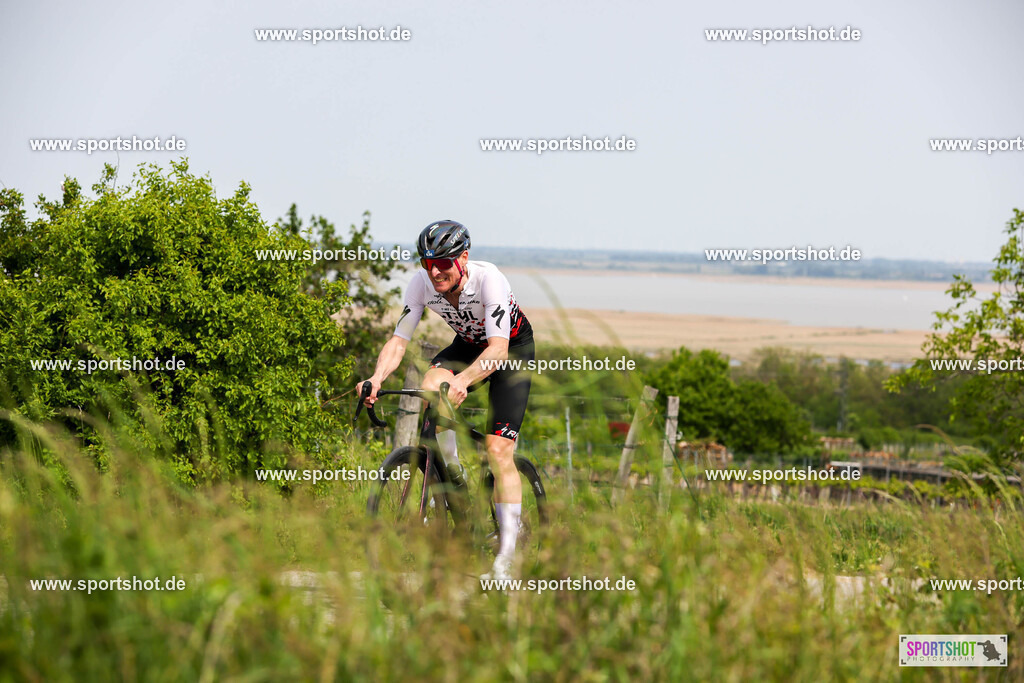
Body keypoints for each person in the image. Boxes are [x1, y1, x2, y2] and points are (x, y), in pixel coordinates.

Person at [357, 220, 534, 580]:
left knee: (498, 450)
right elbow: (399, 341)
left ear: (463, 258)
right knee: (431, 385)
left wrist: (463, 382)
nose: (434, 272)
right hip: (467, 346)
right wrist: (377, 378)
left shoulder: (489, 280)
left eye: (442, 263)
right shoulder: (421, 284)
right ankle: (453, 474)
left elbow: (497, 350)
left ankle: (505, 559)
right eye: (427, 263)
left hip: (509, 350)